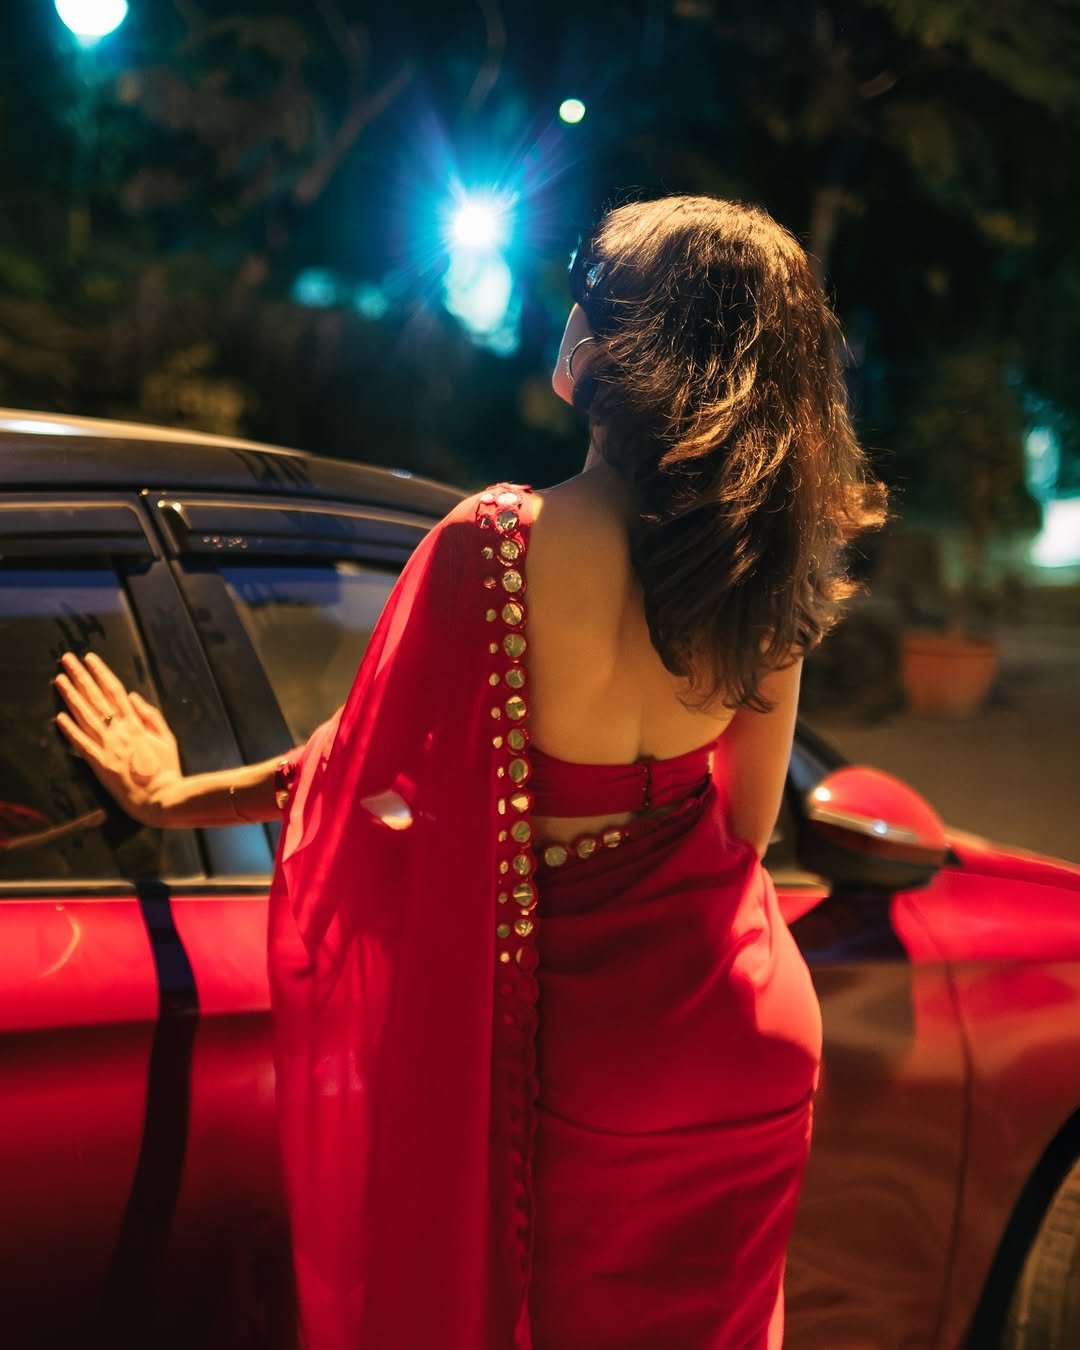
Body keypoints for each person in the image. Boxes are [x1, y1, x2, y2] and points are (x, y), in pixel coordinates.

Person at [55, 194, 885, 1349]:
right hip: (750, 1041)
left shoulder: (495, 544)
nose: (567, 312)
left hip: (599, 1071)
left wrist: (167, 795)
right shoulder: (763, 559)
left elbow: (355, 778)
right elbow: (746, 826)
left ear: (613, 349)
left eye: (586, 291)